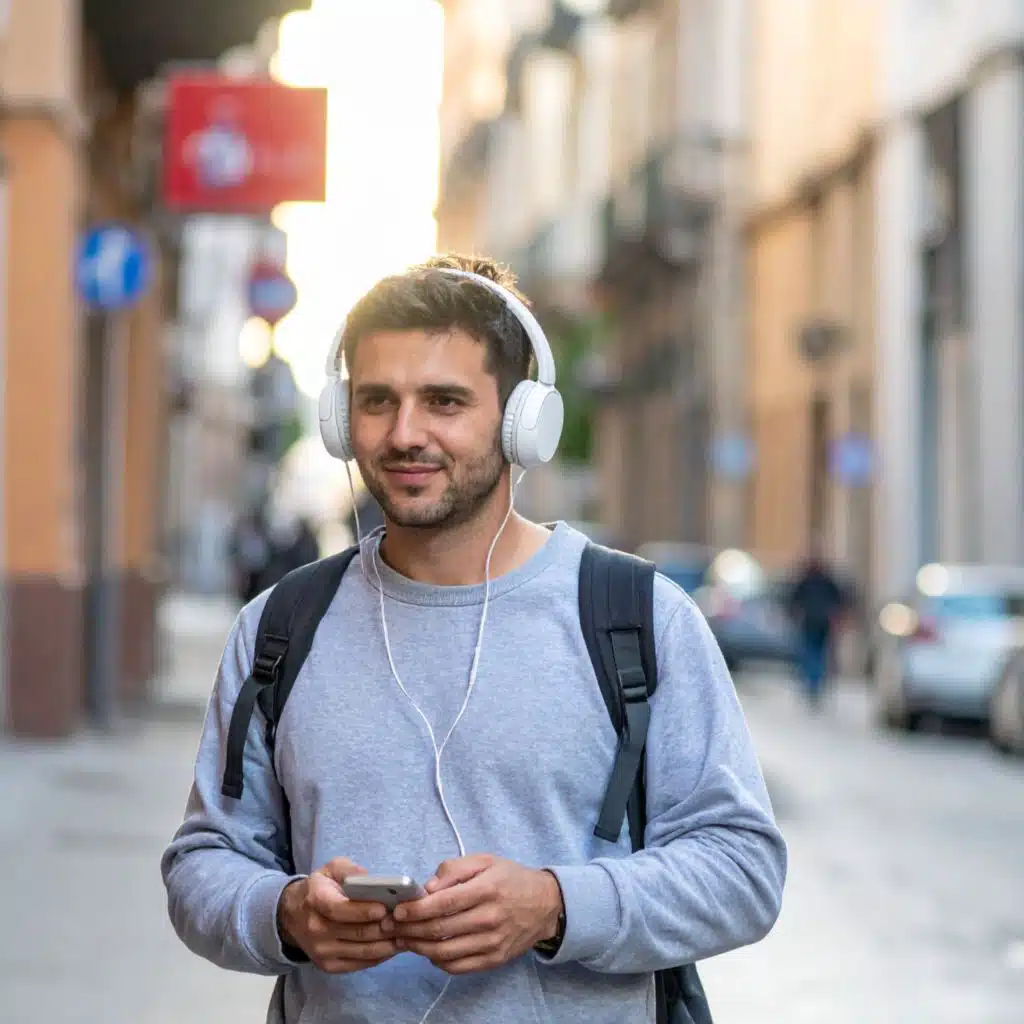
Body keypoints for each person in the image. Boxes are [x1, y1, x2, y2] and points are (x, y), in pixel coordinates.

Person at [161, 254, 787, 1024]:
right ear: (338, 418)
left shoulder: (640, 618)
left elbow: (744, 871)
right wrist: (285, 912)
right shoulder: (279, 628)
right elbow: (201, 864)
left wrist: (556, 905)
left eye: (445, 401)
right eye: (377, 400)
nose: (404, 433)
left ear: (524, 422)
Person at [786, 541, 849, 708]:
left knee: (814, 655)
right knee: (814, 655)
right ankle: (813, 685)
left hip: (816, 622)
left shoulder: (815, 581)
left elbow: (795, 600)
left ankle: (813, 685)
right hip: (815, 622)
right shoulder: (817, 581)